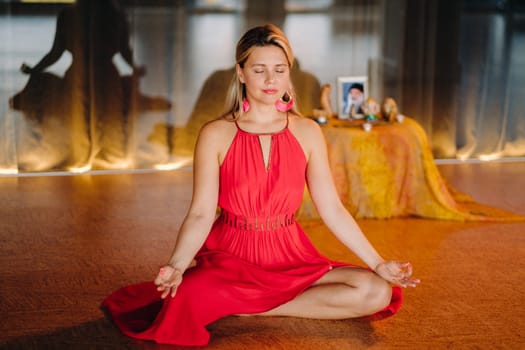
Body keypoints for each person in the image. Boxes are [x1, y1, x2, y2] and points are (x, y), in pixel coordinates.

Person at [102, 24, 419, 346]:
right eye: (259, 70)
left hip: (289, 255)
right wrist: (177, 264)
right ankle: (237, 298)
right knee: (184, 299)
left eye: (279, 70)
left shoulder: (307, 131)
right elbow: (199, 213)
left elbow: (333, 209)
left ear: (288, 73)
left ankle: (251, 308)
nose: (271, 80)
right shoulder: (215, 133)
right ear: (240, 73)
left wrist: (378, 262)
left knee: (376, 291)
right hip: (231, 257)